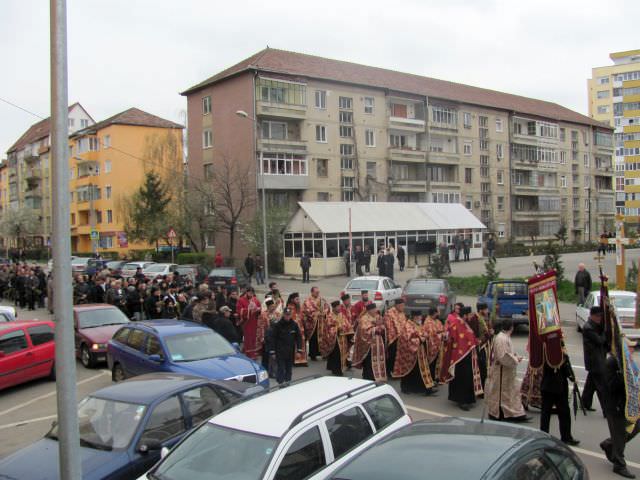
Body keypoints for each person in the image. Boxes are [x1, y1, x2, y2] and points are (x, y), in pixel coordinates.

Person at [600, 352, 640, 478]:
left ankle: (610, 444)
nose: (632, 349)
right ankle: (619, 465)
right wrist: (624, 376)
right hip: (615, 405)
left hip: (627, 404)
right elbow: (611, 385)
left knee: (636, 425)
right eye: (629, 347)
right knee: (619, 434)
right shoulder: (612, 362)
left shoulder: (626, 361)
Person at [485, 319, 529, 422]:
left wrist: (515, 357)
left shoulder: (504, 337)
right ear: (511, 327)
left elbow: (507, 353)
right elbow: (503, 357)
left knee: (510, 392)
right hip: (501, 371)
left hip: (506, 371)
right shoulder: (501, 338)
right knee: (503, 393)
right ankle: (501, 414)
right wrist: (515, 359)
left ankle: (510, 412)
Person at [441, 306, 482, 411]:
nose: (471, 316)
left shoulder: (465, 323)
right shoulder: (456, 324)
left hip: (467, 355)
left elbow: (469, 337)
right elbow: (451, 339)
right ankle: (461, 401)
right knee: (462, 378)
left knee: (467, 378)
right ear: (465, 315)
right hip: (460, 357)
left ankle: (467, 399)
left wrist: (476, 342)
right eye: (469, 315)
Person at [539, 351, 580, 446]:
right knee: (564, 413)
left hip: (547, 386)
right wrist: (573, 378)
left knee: (546, 413)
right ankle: (566, 437)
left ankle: (543, 436)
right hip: (559, 388)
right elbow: (567, 370)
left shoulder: (545, 353)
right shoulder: (562, 355)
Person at [393, 310, 437, 395]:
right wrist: (420, 339)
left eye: (420, 317)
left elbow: (422, 333)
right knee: (409, 370)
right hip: (410, 353)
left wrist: (425, 336)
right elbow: (406, 340)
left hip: (419, 352)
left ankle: (423, 388)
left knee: (420, 371)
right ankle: (406, 388)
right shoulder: (408, 325)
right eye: (419, 317)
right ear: (414, 317)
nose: (420, 318)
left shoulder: (418, 324)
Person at [582, 305, 608, 413]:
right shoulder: (588, 328)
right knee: (602, 387)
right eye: (597, 316)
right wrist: (605, 332)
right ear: (591, 316)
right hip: (595, 361)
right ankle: (607, 410)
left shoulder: (595, 326)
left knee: (591, 384)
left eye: (600, 316)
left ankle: (585, 403)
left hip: (597, 359)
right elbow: (599, 341)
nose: (599, 318)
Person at [352, 303, 387, 381]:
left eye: (375, 309)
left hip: (378, 343)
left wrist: (382, 327)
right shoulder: (364, 319)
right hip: (369, 346)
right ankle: (368, 378)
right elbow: (364, 331)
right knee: (369, 363)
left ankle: (378, 377)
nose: (375, 311)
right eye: (374, 309)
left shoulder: (377, 316)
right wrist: (376, 328)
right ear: (369, 310)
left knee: (378, 360)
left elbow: (382, 325)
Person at [320, 300, 354, 376]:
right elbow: (327, 328)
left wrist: (346, 328)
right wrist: (337, 329)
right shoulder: (329, 316)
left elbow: (347, 324)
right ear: (334, 308)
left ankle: (341, 368)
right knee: (336, 355)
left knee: (342, 354)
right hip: (335, 339)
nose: (339, 308)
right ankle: (336, 369)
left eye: (339, 306)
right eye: (337, 307)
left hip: (343, 338)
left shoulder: (341, 315)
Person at [270, 308, 302, 384]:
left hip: (290, 351)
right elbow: (273, 338)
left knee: (289, 369)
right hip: (280, 351)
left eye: (289, 315)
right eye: (286, 315)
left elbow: (298, 337)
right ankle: (280, 384)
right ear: (283, 314)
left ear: (291, 315)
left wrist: (299, 350)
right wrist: (272, 352)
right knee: (281, 369)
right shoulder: (277, 325)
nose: (287, 317)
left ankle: (288, 382)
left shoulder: (294, 325)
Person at [302, 287, 329, 361]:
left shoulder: (322, 300)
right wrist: (317, 314)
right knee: (313, 339)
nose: (318, 293)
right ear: (312, 292)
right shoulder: (307, 301)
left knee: (323, 338)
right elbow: (306, 311)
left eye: (318, 292)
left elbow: (327, 307)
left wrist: (325, 312)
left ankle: (323, 353)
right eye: (316, 292)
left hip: (322, 323)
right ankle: (313, 354)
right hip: (312, 324)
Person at [384, 298, 407, 374]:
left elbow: (404, 324)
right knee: (392, 355)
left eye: (403, 305)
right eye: (402, 306)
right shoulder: (389, 313)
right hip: (393, 338)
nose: (403, 307)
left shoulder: (402, 313)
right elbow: (388, 326)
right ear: (397, 305)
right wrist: (396, 335)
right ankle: (389, 371)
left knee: (400, 355)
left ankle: (397, 370)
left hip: (401, 337)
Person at [237, 287, 261, 359]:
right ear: (246, 292)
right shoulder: (241, 300)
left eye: (252, 293)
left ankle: (252, 353)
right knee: (248, 338)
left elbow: (259, 308)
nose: (251, 294)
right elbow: (239, 310)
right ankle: (248, 354)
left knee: (253, 337)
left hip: (254, 321)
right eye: (249, 292)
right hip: (246, 322)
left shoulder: (255, 300)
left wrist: (257, 309)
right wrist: (248, 309)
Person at [422, 307, 444, 383]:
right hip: (431, 347)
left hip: (438, 346)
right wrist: (440, 334)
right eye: (438, 312)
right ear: (435, 313)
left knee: (437, 363)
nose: (439, 313)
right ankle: (431, 380)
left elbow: (441, 330)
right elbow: (431, 334)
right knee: (431, 364)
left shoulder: (437, 321)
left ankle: (436, 378)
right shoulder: (428, 322)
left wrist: (442, 334)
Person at [286, 292, 307, 366]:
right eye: (297, 299)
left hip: (300, 328)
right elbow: (288, 318)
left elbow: (301, 316)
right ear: (292, 300)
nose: (298, 301)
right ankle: (295, 360)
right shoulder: (289, 307)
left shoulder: (299, 307)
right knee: (295, 344)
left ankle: (302, 360)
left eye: (298, 299)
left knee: (302, 343)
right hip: (293, 329)